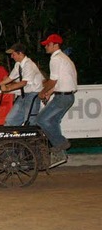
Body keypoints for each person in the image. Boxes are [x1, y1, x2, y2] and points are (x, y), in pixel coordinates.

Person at [36, 34, 77, 166]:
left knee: (41, 119)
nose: (46, 47)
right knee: (52, 121)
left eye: (48, 45)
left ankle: (60, 144)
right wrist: (50, 92)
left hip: (62, 97)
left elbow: (53, 81)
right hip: (67, 96)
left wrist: (43, 92)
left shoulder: (55, 59)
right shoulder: (64, 58)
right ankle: (59, 153)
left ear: (55, 45)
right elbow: (62, 81)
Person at [0, 43, 44, 126]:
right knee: (10, 120)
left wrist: (8, 89)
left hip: (33, 94)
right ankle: (12, 136)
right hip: (24, 94)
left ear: (20, 53)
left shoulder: (29, 64)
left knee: (29, 120)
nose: (11, 56)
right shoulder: (18, 64)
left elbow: (24, 82)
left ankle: (33, 138)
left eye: (13, 54)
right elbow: (10, 78)